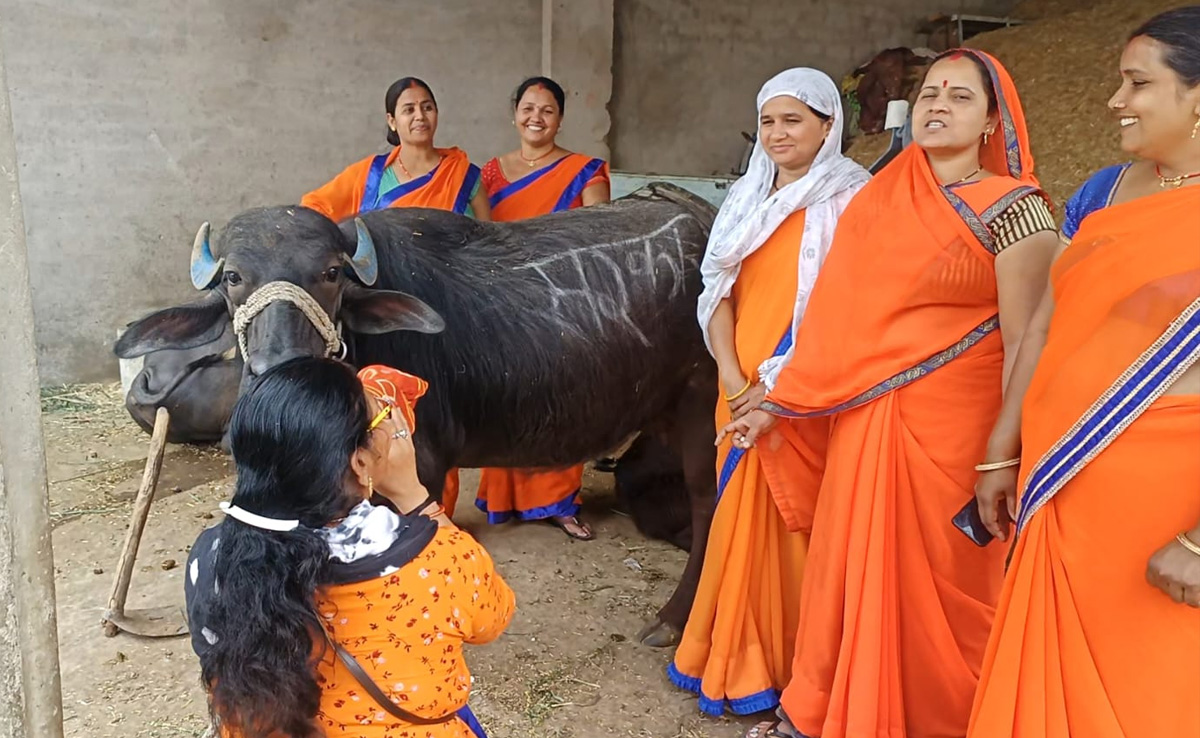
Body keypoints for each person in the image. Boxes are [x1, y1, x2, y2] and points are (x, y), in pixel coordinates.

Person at [723, 50, 1059, 738]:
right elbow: (837, 319)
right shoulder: (879, 195)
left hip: (960, 436)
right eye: (930, 92)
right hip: (865, 422)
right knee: (846, 572)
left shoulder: (1019, 210)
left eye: (960, 97)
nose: (938, 105)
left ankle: (943, 717)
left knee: (944, 581)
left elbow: (1030, 343)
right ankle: (824, 710)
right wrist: (780, 398)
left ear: (994, 119)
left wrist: (1006, 452)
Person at [969, 8, 1200, 737]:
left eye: (1137, 83)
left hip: (1169, 508)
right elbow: (1044, 324)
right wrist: (1002, 448)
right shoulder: (1103, 191)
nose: (1115, 101)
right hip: (1064, 479)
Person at [667, 68, 869, 717]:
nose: (778, 134)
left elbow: (850, 309)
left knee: (794, 524)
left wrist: (780, 388)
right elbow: (716, 292)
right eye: (770, 122)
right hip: (738, 384)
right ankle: (731, 657)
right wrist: (733, 377)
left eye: (795, 120)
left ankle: (794, 667)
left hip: (809, 392)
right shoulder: (746, 197)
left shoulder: (854, 199)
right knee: (737, 516)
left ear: (828, 125)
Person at [185, 358, 514, 738]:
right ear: (359, 463)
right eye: (382, 421)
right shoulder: (442, 561)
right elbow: (494, 618)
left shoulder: (212, 557)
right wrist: (414, 494)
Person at [473, 76, 610, 540]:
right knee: (505, 397)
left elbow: (598, 228)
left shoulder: (586, 170)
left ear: (560, 118)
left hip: (560, 303)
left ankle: (558, 502)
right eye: (528, 108)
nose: (536, 118)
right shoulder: (489, 173)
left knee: (560, 398)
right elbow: (481, 237)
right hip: (506, 304)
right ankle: (506, 499)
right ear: (514, 112)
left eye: (547, 110)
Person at [301, 76, 491, 222]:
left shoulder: (464, 175)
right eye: (409, 110)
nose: (420, 116)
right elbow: (314, 209)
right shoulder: (370, 175)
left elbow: (488, 245)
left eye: (427, 108)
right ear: (392, 121)